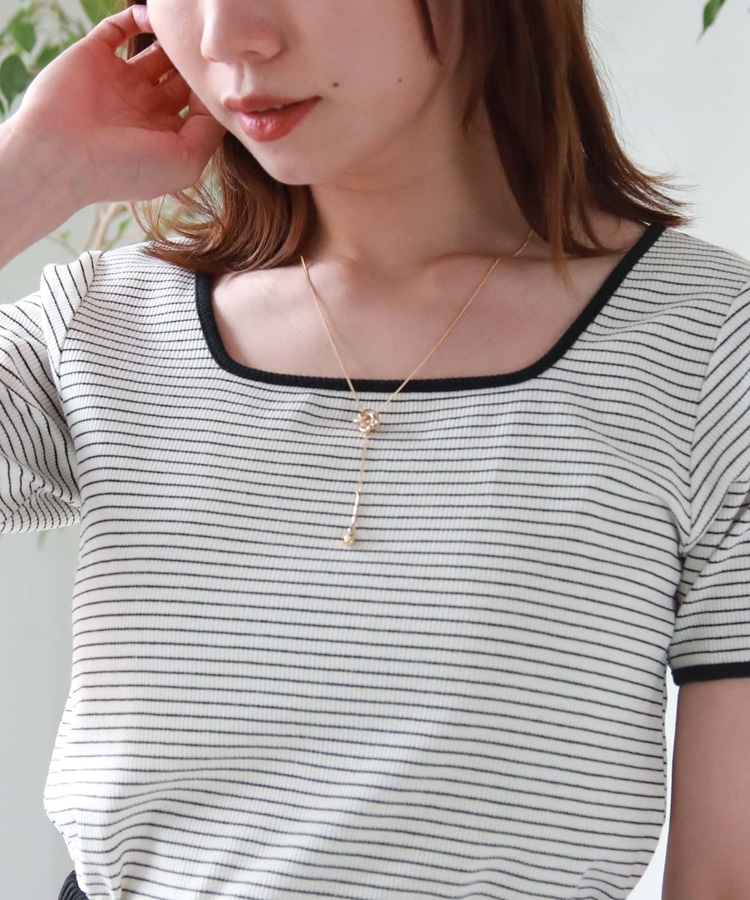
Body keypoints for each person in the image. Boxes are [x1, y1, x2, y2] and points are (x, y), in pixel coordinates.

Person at [1, 1, 749, 898]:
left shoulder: (710, 348)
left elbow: (726, 874)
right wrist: (28, 173)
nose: (227, 36)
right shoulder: (103, 324)